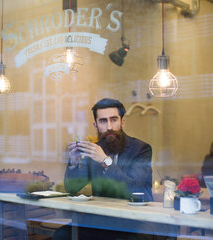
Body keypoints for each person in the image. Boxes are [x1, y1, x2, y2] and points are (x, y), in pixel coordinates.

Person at [54, 98, 168, 240]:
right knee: (62, 235)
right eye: (103, 121)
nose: (109, 126)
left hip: (134, 220)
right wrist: (74, 162)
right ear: (96, 125)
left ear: (122, 122)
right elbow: (73, 188)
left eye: (114, 120)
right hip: (100, 219)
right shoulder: (94, 150)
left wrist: (105, 160)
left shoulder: (141, 149)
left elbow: (133, 188)